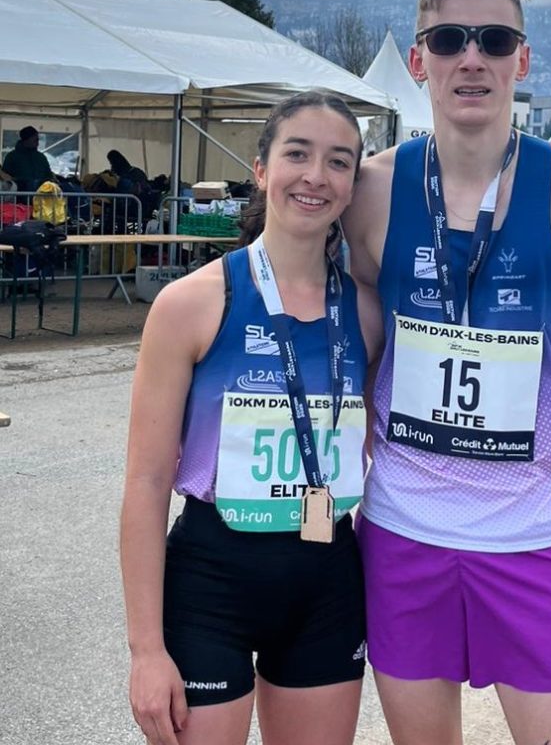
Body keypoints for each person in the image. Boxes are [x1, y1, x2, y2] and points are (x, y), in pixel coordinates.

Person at [342, 0, 551, 745]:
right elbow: (350, 338)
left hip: (525, 540)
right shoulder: (371, 191)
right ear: (419, 60)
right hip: (400, 533)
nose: (470, 57)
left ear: (523, 58)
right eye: (448, 39)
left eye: (495, 38)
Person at [120, 90, 383, 745]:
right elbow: (146, 484)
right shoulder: (190, 305)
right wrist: (146, 652)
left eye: (338, 161)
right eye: (298, 154)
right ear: (262, 168)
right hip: (212, 585)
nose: (315, 176)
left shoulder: (368, 314)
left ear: (353, 183)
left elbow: (396, 444)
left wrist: (530, 477)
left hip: (327, 581)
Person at [1, 125, 54, 193]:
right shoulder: (12, 157)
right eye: (35, 140)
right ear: (26, 140)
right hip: (19, 195)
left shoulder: (41, 157)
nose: (37, 143)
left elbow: (48, 175)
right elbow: (6, 178)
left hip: (42, 194)